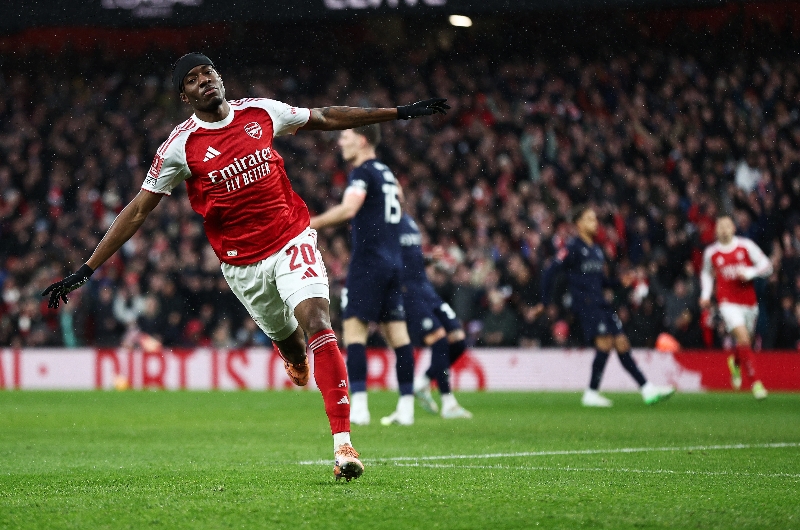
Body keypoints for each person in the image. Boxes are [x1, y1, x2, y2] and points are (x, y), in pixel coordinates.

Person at [41, 52, 449, 481]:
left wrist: (398, 112)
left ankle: (343, 445)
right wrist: (86, 269)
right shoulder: (180, 147)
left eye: (208, 73)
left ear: (219, 78)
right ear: (184, 96)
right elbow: (139, 210)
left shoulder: (261, 111)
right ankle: (293, 356)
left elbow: (326, 116)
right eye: (193, 80)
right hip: (242, 266)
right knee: (294, 346)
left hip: (292, 238)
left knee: (318, 321)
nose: (204, 81)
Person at [310, 124, 417, 427]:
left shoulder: (363, 172)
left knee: (355, 332)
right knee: (398, 336)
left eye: (345, 136)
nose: (340, 142)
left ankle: (358, 407)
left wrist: (310, 224)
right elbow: (400, 203)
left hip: (368, 262)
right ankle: (406, 408)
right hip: (393, 261)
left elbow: (348, 209)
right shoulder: (387, 173)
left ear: (362, 139)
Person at [541, 205, 675, 407]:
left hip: (601, 302)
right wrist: (546, 301)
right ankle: (592, 393)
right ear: (578, 224)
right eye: (589, 219)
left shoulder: (597, 250)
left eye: (595, 219)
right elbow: (549, 272)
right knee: (605, 343)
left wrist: (619, 282)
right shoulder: (572, 247)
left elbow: (601, 281)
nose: (595, 223)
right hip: (586, 304)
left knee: (621, 343)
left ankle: (647, 389)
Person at [397, 213, 472, 419]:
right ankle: (448, 403)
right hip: (409, 293)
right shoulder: (385, 223)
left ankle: (423, 382)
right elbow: (389, 260)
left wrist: (430, 258)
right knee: (439, 340)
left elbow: (413, 260)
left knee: (458, 341)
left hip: (427, 290)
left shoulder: (410, 222)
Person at [699, 215, 773, 399]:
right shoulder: (711, 252)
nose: (724, 229)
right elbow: (706, 273)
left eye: (727, 226)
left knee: (745, 343)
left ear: (733, 228)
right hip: (727, 302)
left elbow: (767, 266)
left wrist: (751, 272)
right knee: (743, 338)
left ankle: (736, 362)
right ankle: (756, 383)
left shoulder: (746, 246)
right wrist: (705, 295)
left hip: (749, 302)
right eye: (720, 226)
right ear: (716, 231)